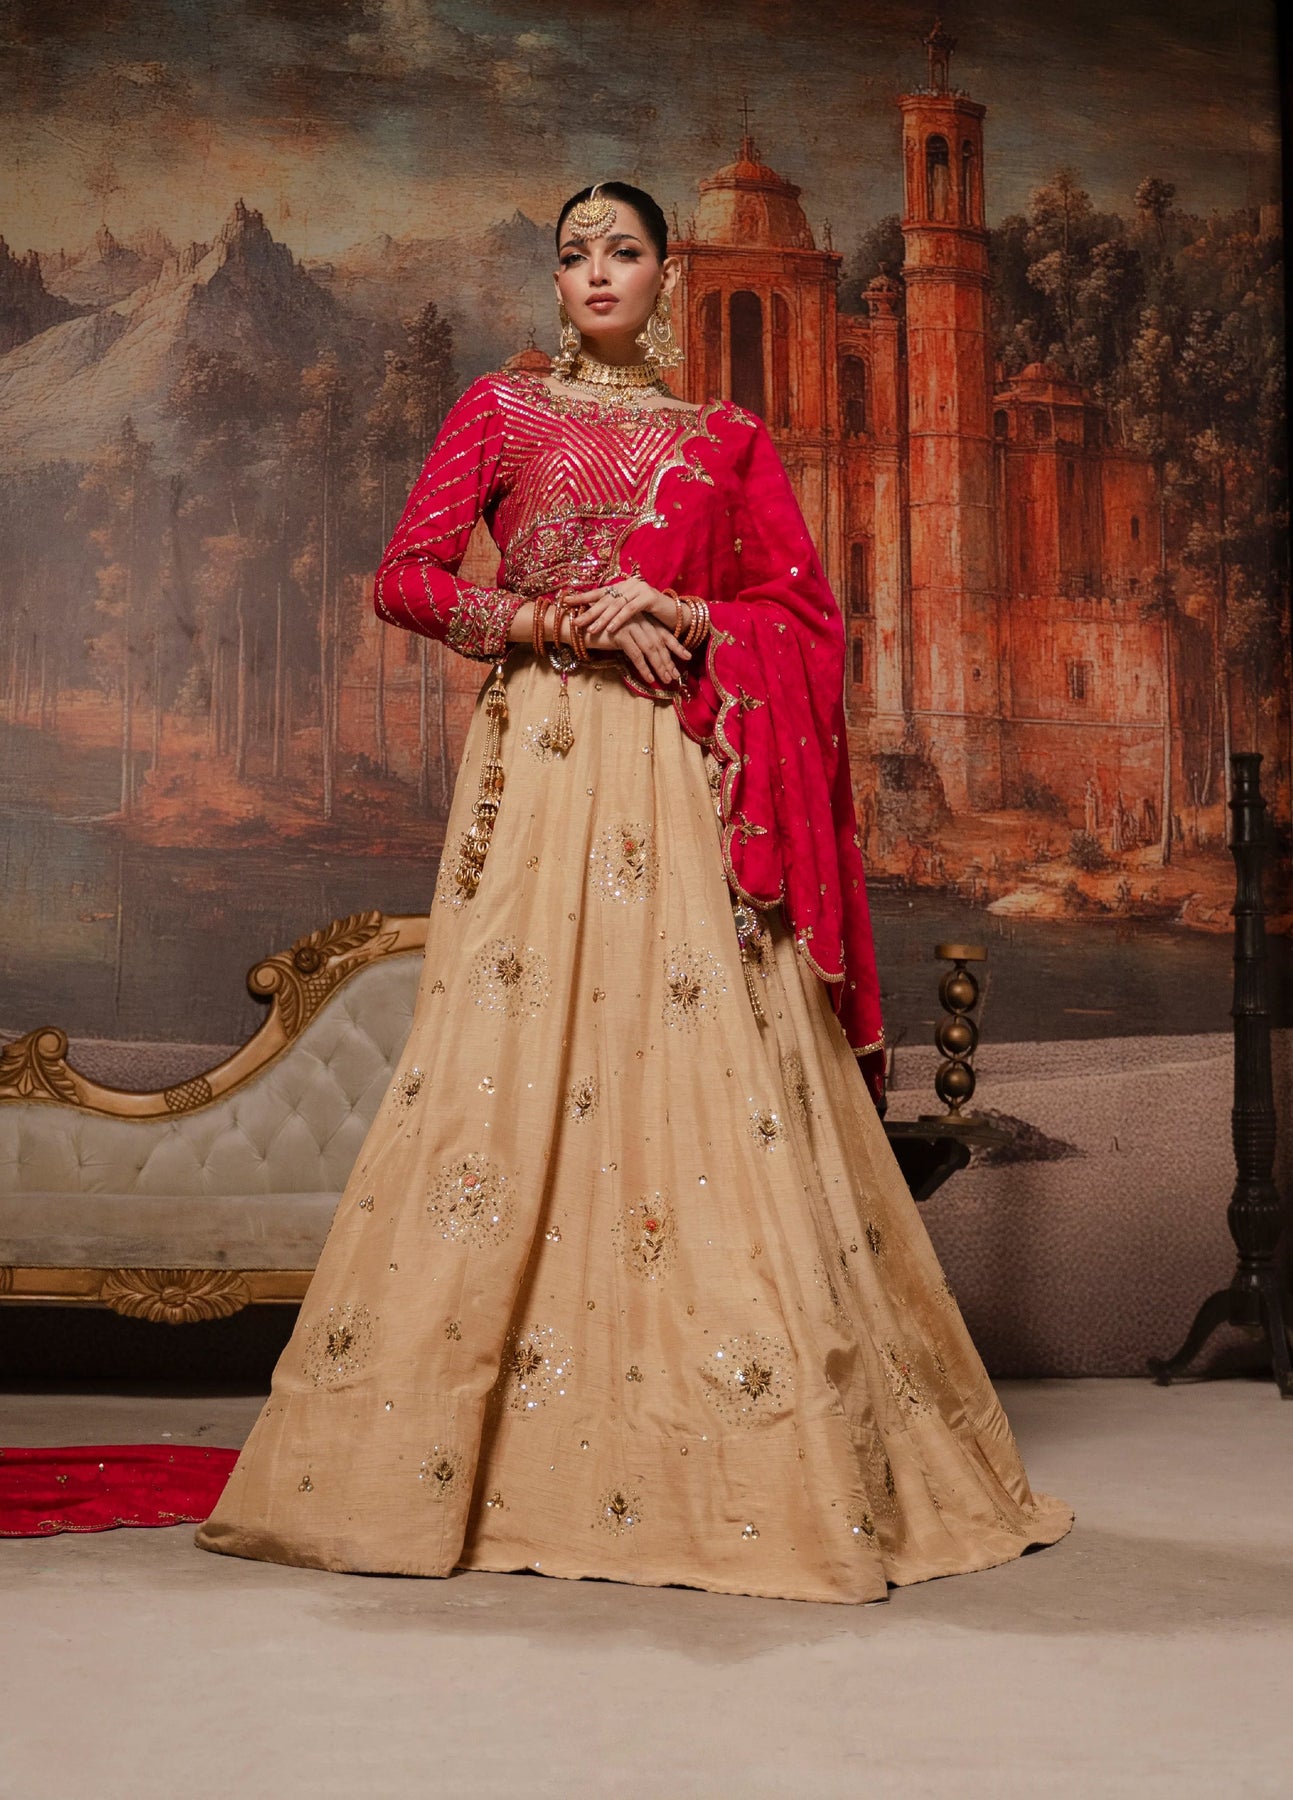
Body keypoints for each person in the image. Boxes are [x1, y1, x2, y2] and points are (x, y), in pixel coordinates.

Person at [195, 181, 1071, 1602]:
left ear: (667, 276)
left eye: (621, 252)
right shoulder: (501, 411)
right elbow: (407, 581)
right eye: (572, 255)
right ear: (556, 282)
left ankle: (734, 1453)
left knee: (698, 1063)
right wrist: (555, 619)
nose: (596, 271)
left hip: (676, 771)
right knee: (507, 1062)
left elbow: (804, 622)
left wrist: (678, 611)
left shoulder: (726, 440)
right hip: (540, 764)